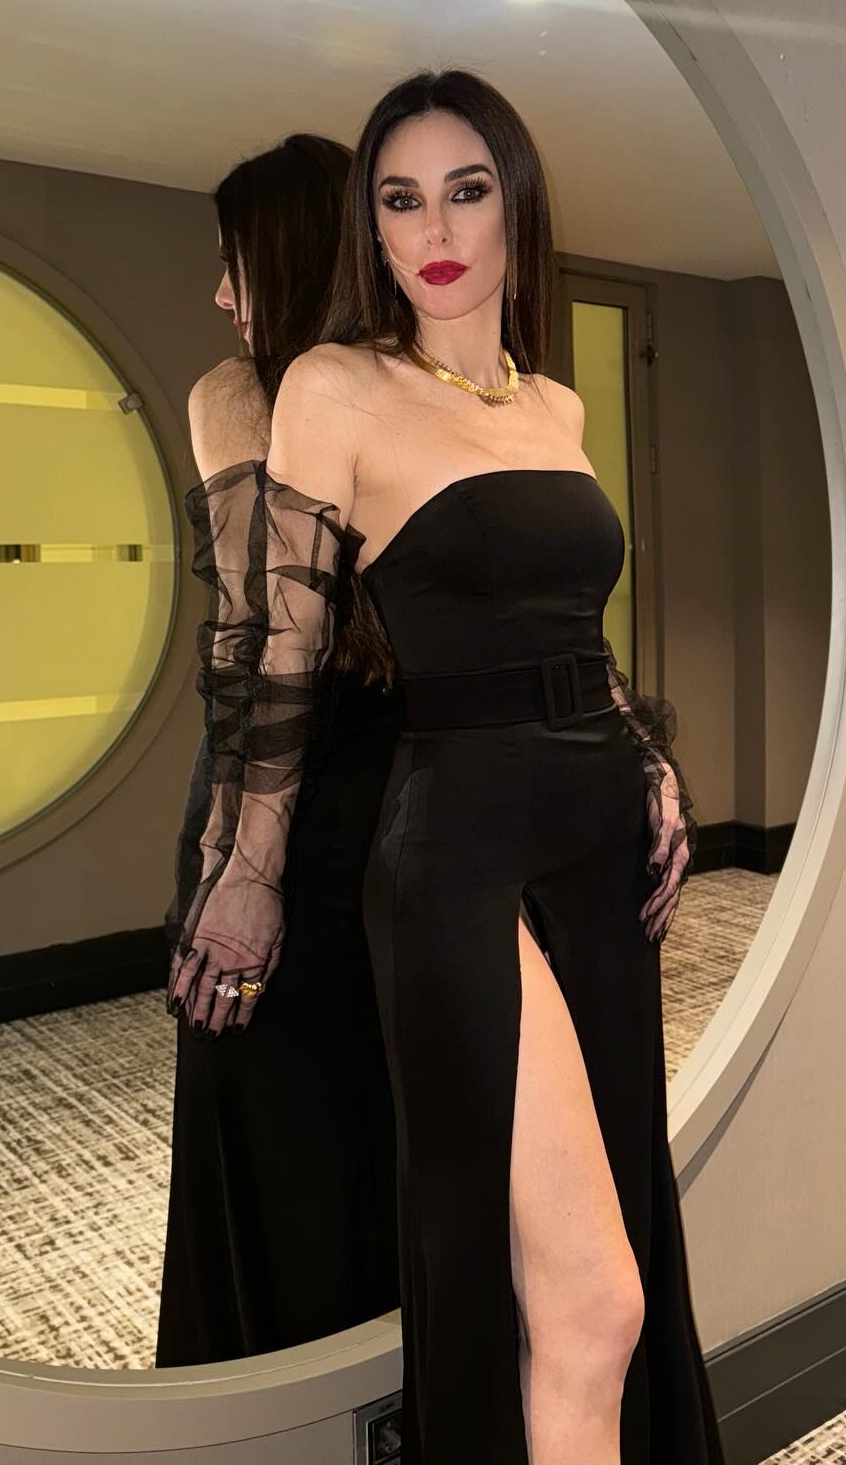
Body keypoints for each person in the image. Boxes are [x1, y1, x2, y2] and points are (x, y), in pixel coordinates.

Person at [168, 72, 723, 1463]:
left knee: (598, 1277)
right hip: (459, 855)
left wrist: (646, 754)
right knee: (589, 1300)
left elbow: (571, 629)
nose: (436, 228)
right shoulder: (335, 388)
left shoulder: (557, 407)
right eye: (400, 198)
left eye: (467, 191)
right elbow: (278, 648)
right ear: (369, 224)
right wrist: (247, 874)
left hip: (595, 852)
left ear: (515, 206)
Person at [155, 133, 404, 1366]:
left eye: (233, 263)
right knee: (308, 1100)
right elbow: (254, 643)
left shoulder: (330, 394)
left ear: (291, 257)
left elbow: (257, 640)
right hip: (318, 793)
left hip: (354, 804)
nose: (220, 293)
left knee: (335, 1107)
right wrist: (233, 863)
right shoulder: (251, 397)